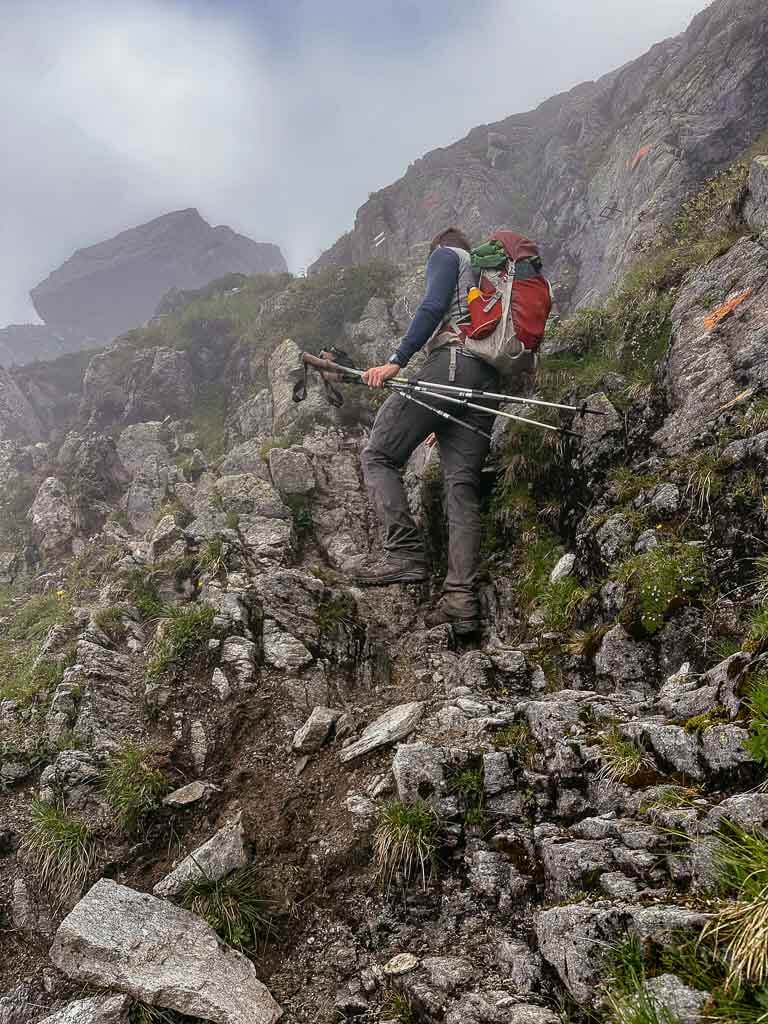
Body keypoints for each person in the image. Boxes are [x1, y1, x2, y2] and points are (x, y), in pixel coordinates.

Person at [355, 227, 499, 635]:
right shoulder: (488, 278)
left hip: (451, 364)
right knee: (461, 489)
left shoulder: (446, 254)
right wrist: (441, 416)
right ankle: (461, 601)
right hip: (486, 384)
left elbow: (433, 305)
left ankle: (404, 553)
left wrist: (397, 360)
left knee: (378, 455)